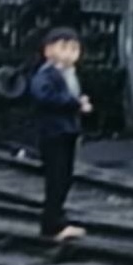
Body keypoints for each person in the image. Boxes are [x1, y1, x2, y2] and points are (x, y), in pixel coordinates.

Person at [29, 27, 93, 241]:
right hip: (53, 132)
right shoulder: (46, 74)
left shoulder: (69, 74)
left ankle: (58, 218)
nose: (70, 53)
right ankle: (51, 224)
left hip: (68, 131)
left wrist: (79, 103)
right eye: (63, 47)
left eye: (74, 49)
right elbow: (43, 95)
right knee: (56, 178)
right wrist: (75, 103)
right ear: (48, 50)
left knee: (65, 177)